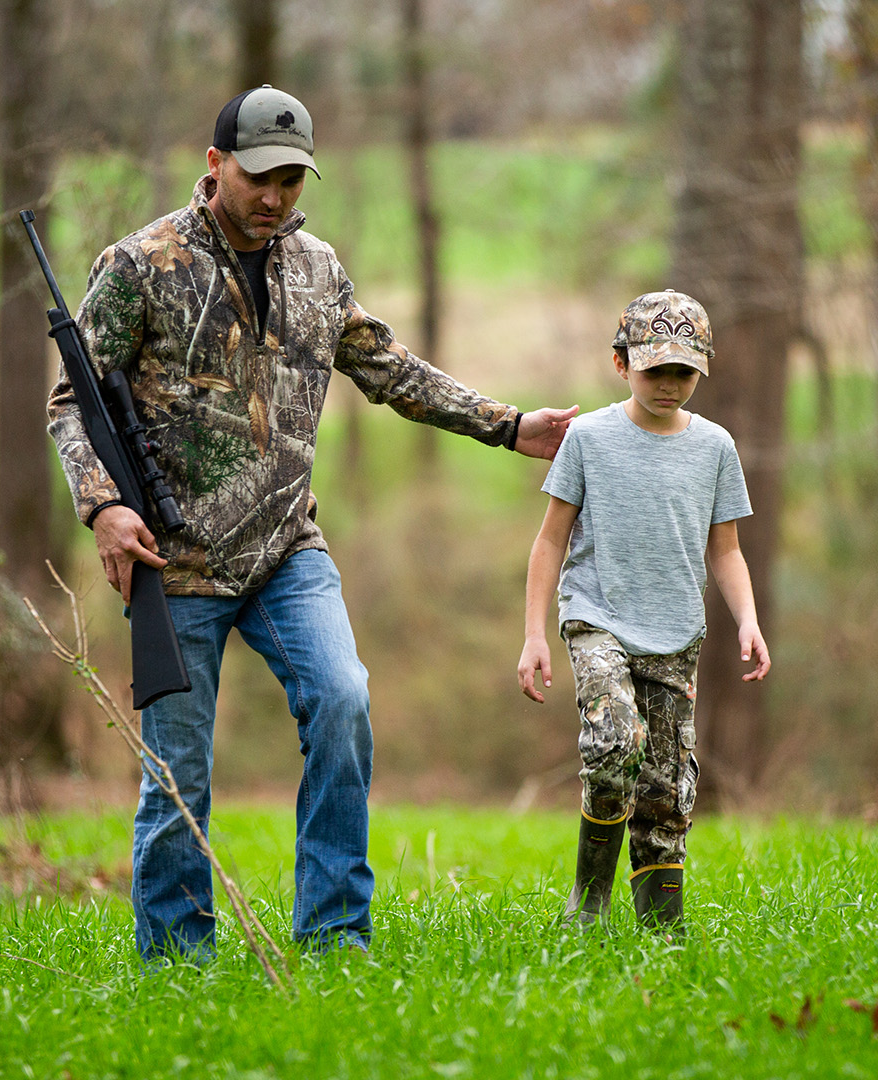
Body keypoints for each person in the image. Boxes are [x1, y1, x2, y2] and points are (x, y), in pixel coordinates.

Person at [46, 85, 577, 963]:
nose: (277, 196)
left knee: (343, 700)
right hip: (172, 565)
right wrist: (103, 506)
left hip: (290, 548)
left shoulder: (318, 269)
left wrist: (509, 425)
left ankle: (335, 938)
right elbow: (72, 398)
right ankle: (178, 964)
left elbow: (390, 369)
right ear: (216, 166)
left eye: (294, 178)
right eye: (260, 176)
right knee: (178, 774)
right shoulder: (141, 266)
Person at [515, 289, 769, 928]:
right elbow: (550, 540)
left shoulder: (715, 448)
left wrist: (748, 619)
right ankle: (590, 900)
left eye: (684, 372)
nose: (670, 384)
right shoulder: (590, 440)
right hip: (597, 615)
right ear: (621, 363)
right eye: (655, 369)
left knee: (666, 787)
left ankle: (661, 926)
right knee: (615, 739)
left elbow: (728, 550)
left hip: (676, 631)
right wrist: (534, 635)